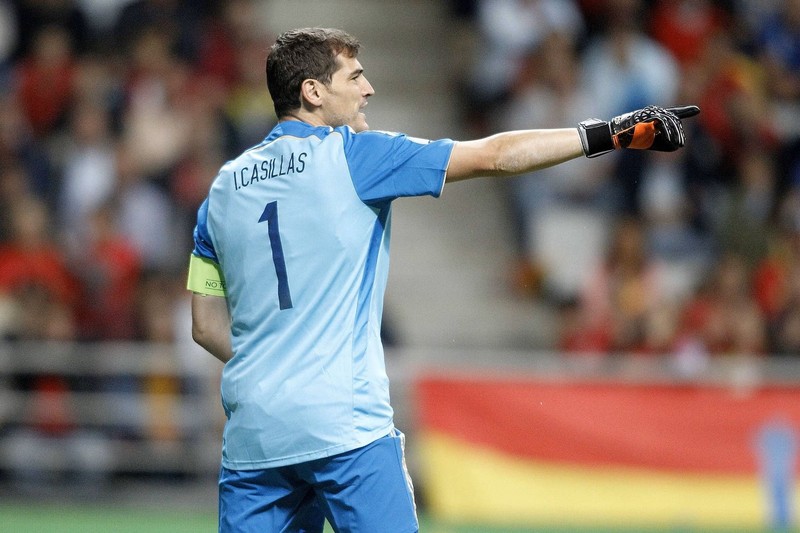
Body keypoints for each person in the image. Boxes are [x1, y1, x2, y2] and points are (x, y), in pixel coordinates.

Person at [186, 27, 697, 533]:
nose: (369, 90)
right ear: (313, 92)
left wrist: (276, 366)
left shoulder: (222, 192)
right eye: (355, 77)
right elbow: (494, 156)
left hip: (254, 433)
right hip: (341, 424)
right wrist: (608, 133)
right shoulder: (354, 155)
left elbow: (205, 327)